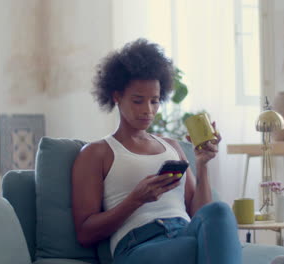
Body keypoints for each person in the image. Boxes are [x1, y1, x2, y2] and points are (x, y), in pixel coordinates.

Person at [72, 38, 242, 264]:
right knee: (196, 248)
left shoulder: (172, 147)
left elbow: (199, 214)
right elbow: (85, 233)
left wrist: (201, 165)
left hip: (184, 231)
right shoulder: (96, 153)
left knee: (219, 211)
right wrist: (135, 200)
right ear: (117, 97)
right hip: (139, 244)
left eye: (154, 101)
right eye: (138, 101)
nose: (148, 111)